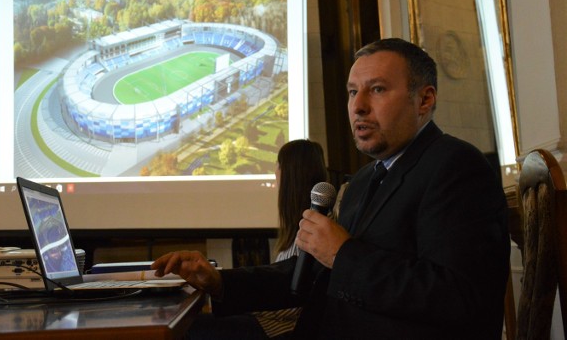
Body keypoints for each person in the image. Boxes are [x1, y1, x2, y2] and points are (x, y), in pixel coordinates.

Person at [152, 38, 510, 339]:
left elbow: (457, 297)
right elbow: (308, 276)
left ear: (424, 100)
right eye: (353, 92)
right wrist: (220, 283)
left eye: (378, 90)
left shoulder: (456, 166)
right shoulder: (364, 181)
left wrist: (342, 254)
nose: (358, 106)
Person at [187, 139, 328, 339]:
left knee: (191, 328)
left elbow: (292, 305)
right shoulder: (303, 226)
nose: (275, 174)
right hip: (271, 322)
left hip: (280, 329)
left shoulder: (309, 232)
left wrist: (243, 305)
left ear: (288, 174)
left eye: (277, 166)